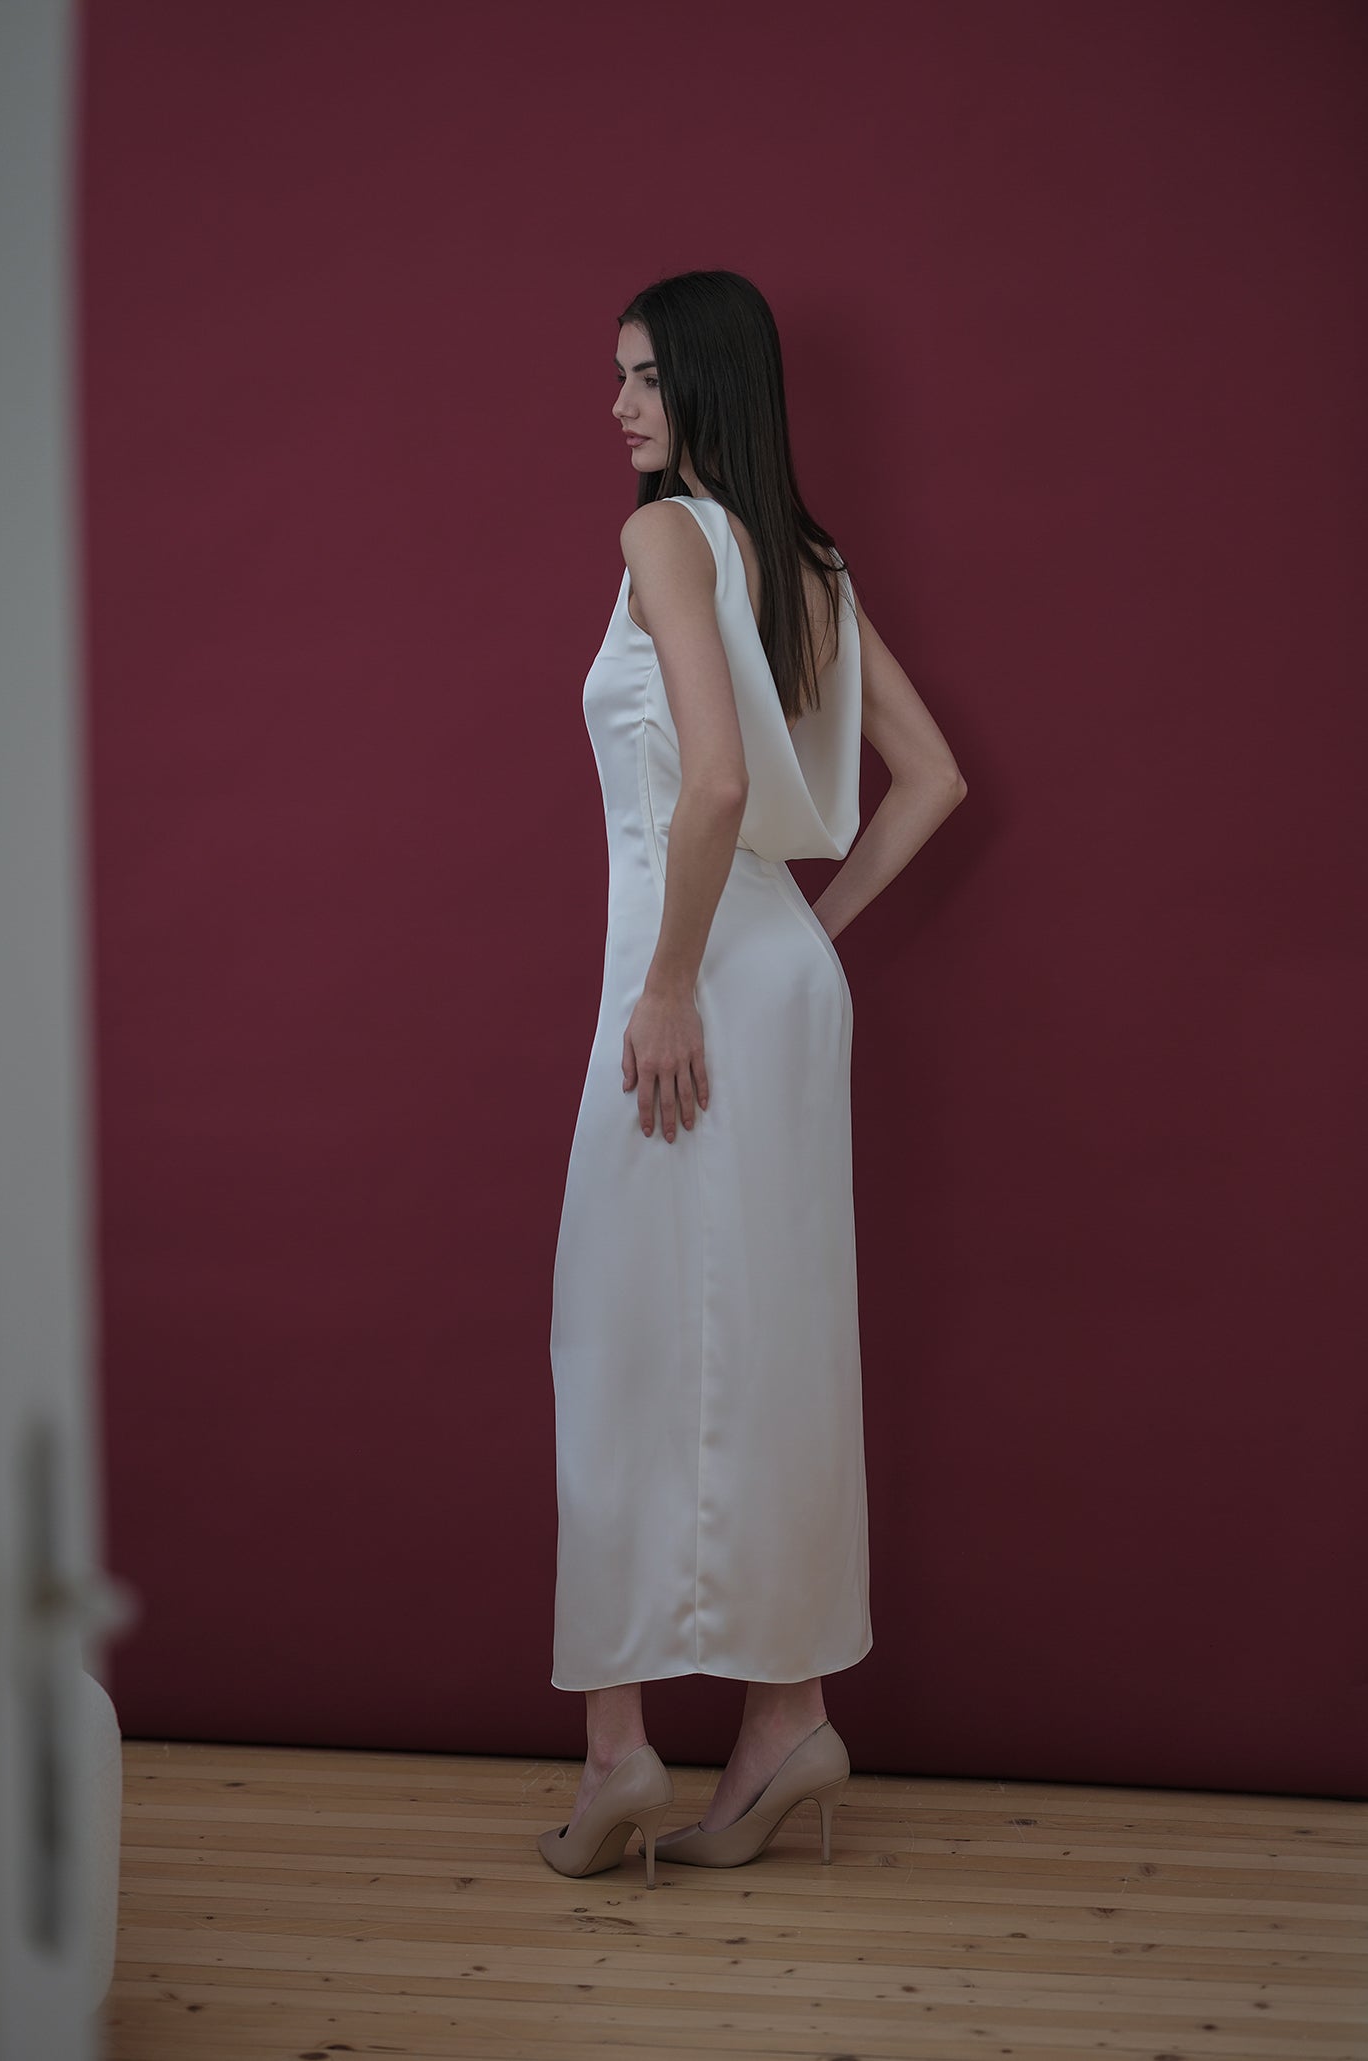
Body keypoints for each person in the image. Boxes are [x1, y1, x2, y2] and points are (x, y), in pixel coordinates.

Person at [538, 270, 967, 1887]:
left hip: (691, 983)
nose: (617, 406)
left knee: (617, 1336)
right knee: (768, 1346)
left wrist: (671, 982)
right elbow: (931, 778)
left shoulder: (664, 536)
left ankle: (617, 1751)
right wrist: (803, 939)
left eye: (644, 377)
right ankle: (784, 1715)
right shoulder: (806, 561)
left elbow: (711, 782)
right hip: (773, 979)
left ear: (709, 384)